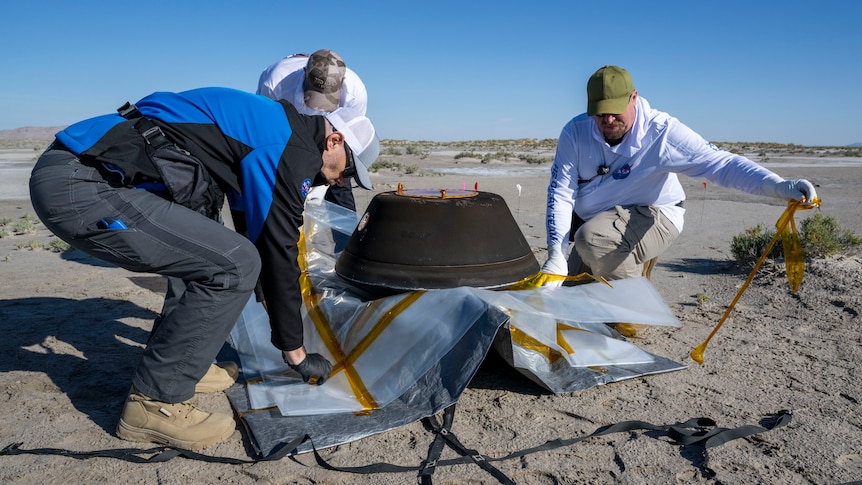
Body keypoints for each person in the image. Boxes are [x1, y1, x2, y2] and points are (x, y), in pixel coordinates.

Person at [29, 87, 380, 450]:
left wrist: (268, 301)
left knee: (211, 249)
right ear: (333, 140)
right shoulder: (290, 149)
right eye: (348, 170)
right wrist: (295, 352)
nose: (342, 182)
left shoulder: (275, 128)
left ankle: (181, 363)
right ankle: (154, 402)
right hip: (83, 184)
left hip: (85, 172)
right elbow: (277, 250)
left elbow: (255, 228)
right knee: (234, 264)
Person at [543, 65, 817, 281]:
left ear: (634, 97)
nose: (608, 120)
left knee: (592, 241)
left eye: (615, 111)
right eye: (600, 113)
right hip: (600, 219)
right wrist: (556, 252)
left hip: (655, 213)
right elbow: (561, 192)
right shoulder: (575, 132)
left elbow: (722, 164)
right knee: (572, 288)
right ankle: (625, 268)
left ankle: (634, 311)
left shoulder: (663, 133)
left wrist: (778, 186)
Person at [257, 49, 368, 215]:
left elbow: (351, 139)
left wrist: (343, 170)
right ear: (304, 73)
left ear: (343, 81)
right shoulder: (275, 82)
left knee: (341, 188)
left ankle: (346, 239)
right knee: (281, 191)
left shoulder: (356, 92)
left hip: (330, 140)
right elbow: (267, 131)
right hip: (288, 134)